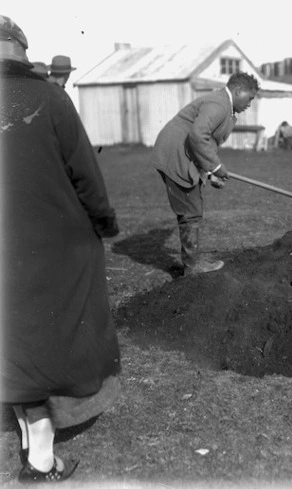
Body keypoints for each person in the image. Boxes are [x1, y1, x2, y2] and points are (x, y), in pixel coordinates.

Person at [0, 15, 121, 482]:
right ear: (21, 52)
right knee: (48, 342)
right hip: (47, 246)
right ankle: (42, 461)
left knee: (12, 344)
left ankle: (31, 442)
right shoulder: (50, 98)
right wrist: (104, 222)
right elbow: (85, 175)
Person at [150, 72, 260, 276]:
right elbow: (198, 135)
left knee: (191, 207)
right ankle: (192, 267)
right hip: (175, 155)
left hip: (182, 154)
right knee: (191, 210)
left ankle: (192, 262)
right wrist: (216, 167)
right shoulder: (219, 105)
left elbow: (205, 142)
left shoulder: (225, 106)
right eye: (249, 98)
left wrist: (210, 173)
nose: (249, 104)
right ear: (238, 91)